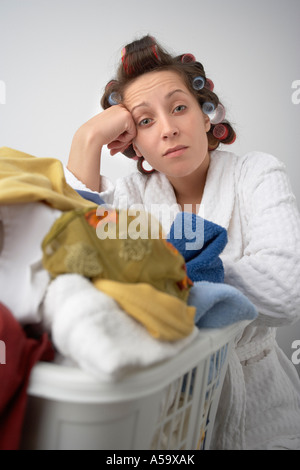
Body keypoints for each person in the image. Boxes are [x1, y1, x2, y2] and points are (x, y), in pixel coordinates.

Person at [65, 35, 300, 450]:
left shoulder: (257, 173)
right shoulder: (128, 198)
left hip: (266, 417)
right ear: (132, 141)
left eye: (178, 108)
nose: (169, 128)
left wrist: (167, 278)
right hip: (170, 420)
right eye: (145, 120)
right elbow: (69, 254)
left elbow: (285, 291)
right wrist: (87, 139)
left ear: (206, 116)